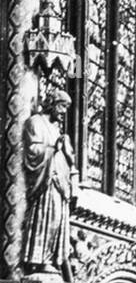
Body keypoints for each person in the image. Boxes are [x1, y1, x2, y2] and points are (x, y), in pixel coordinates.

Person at [22, 89, 77, 273]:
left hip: (59, 183)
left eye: (66, 108)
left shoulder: (55, 128)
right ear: (52, 103)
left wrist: (67, 154)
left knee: (57, 220)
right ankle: (38, 260)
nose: (63, 112)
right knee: (45, 217)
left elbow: (66, 158)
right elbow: (32, 151)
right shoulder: (36, 122)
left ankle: (51, 259)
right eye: (62, 106)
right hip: (45, 182)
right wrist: (54, 148)